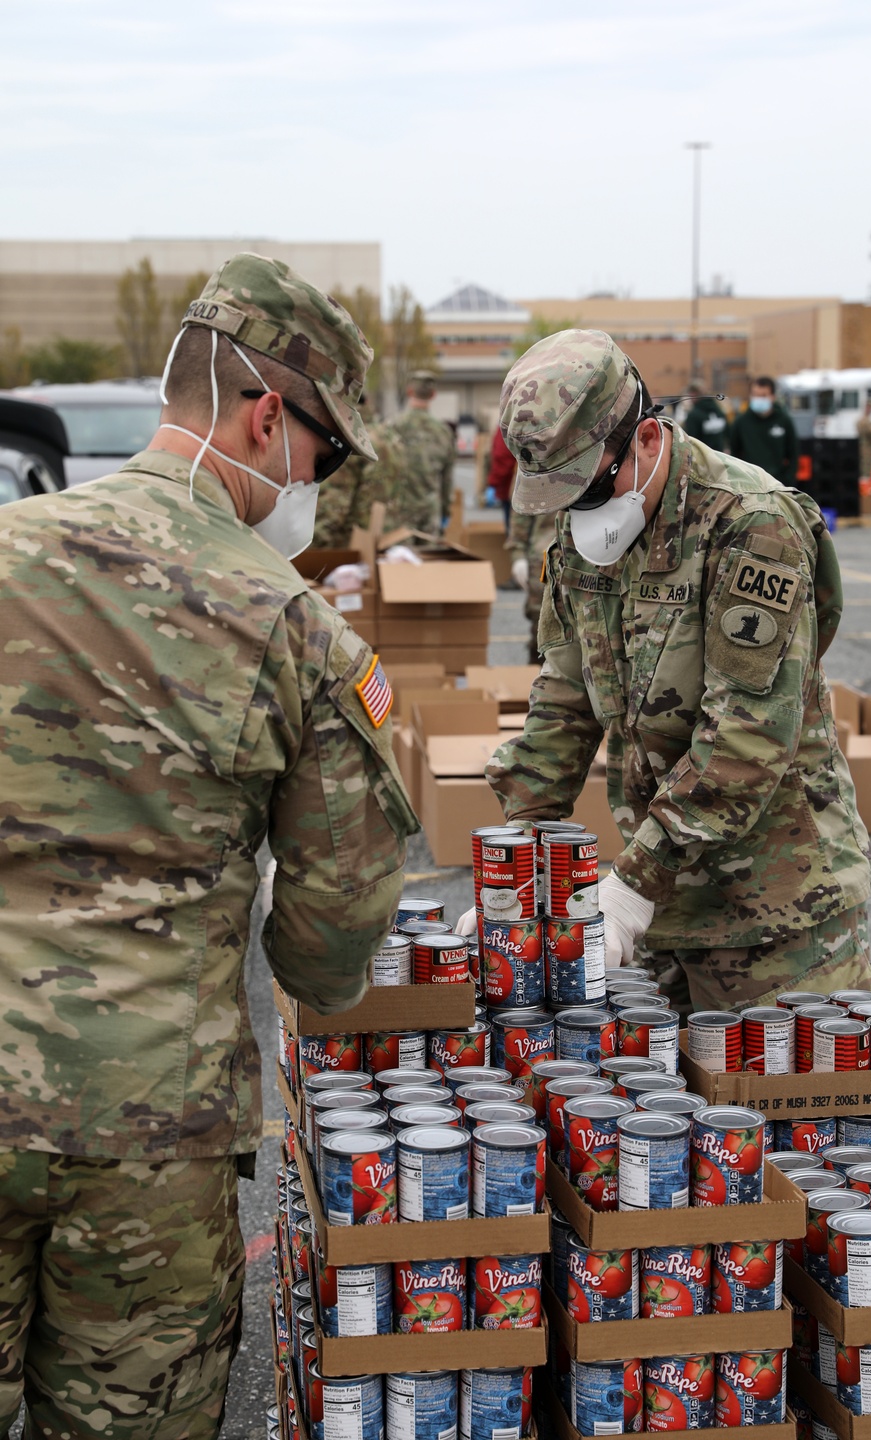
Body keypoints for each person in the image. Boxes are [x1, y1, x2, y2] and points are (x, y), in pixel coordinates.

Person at [0, 253, 418, 1439]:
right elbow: (332, 938)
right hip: (146, 1130)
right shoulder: (292, 626)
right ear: (264, 413)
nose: (315, 487)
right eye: (322, 457)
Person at [461, 330, 871, 1015]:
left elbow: (747, 739)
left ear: (647, 438)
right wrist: (523, 863)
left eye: (592, 485)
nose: (581, 512)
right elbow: (564, 697)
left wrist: (631, 886)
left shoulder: (751, 526)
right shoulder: (585, 532)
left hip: (779, 915)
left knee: (786, 1114)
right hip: (663, 905)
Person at [313, 409, 407, 548]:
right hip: (385, 540)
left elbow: (334, 504)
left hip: (350, 546)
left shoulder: (352, 439)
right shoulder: (390, 437)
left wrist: (315, 548)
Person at [384, 370, 456, 533]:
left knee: (399, 558)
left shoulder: (392, 427)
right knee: (429, 557)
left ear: (409, 391)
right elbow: (447, 478)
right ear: (433, 395)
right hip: (429, 512)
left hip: (398, 512)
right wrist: (445, 510)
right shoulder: (443, 431)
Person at [730, 375, 799, 485]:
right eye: (755, 395)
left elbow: (793, 453)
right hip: (750, 483)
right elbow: (734, 453)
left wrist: (788, 481)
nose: (759, 399)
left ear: (772, 397)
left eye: (763, 396)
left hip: (777, 483)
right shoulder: (741, 422)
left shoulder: (783, 420)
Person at [508, 510, 557, 663]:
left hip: (586, 557)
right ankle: (538, 676)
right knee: (541, 621)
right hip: (544, 557)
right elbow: (522, 510)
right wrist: (518, 554)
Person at [682, 379, 731, 452]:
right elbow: (728, 433)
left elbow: (691, 441)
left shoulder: (693, 415)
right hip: (721, 457)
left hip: (704, 459)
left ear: (693, 394)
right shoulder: (719, 410)